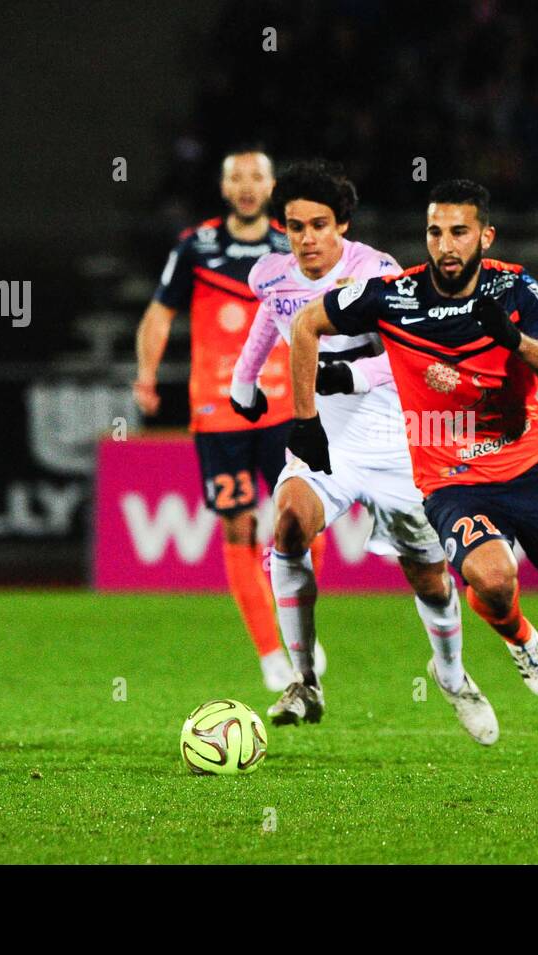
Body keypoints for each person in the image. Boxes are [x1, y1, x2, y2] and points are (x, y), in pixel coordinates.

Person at [285, 179, 538, 769]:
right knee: (492, 579)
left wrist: (515, 339)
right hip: (449, 477)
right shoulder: (393, 295)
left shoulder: (516, 290)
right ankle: (519, 636)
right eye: (435, 232)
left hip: (528, 465)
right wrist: (305, 421)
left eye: (459, 232)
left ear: (484, 236)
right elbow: (305, 326)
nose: (445, 245)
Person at [229, 161, 497, 745]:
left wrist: (347, 373)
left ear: (341, 225)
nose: (306, 239)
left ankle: (451, 677)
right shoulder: (271, 274)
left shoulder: (376, 271)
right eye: (294, 226)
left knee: (427, 574)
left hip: (392, 434)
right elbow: (268, 322)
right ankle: (303, 680)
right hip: (323, 437)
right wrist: (242, 381)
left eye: (318, 225)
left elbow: (412, 351)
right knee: (290, 524)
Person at [133, 146, 324, 692]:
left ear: (271, 187)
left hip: (285, 406)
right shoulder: (196, 246)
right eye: (236, 177)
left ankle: (298, 629)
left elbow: (323, 312)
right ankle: (269, 651)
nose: (245, 185)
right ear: (224, 188)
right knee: (239, 525)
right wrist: (146, 374)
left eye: (256, 176)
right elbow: (158, 312)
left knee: (302, 519)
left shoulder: (290, 248)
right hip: (217, 409)